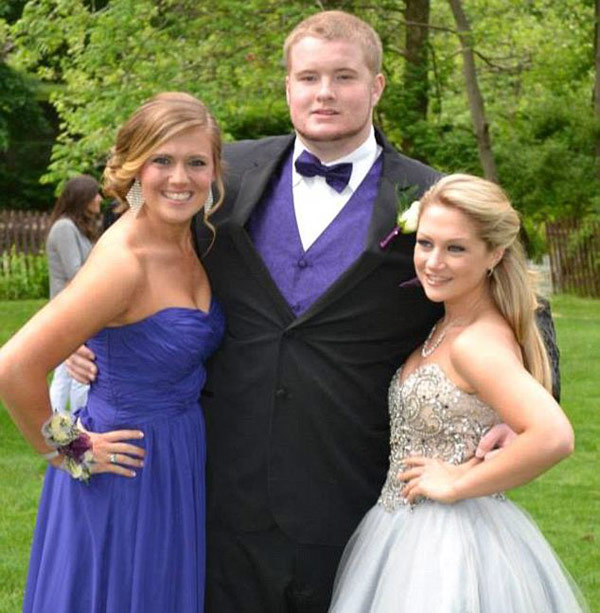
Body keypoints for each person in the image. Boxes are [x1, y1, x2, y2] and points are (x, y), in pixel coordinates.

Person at [67, 11, 559, 612]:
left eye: (344, 77)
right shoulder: (219, 175)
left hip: (350, 495)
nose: (324, 93)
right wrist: (87, 329)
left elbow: (523, 304)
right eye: (308, 78)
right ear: (288, 87)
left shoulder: (427, 197)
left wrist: (527, 402)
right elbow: (137, 239)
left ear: (376, 86)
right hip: (221, 492)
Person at [0, 92, 225, 612]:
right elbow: (14, 368)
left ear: (215, 170)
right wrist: (69, 450)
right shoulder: (125, 261)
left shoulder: (189, 235)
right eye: (161, 160)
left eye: (196, 162)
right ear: (133, 166)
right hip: (124, 470)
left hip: (175, 457)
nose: (180, 178)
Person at [328, 174, 587, 612]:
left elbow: (554, 436)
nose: (433, 262)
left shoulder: (476, 343)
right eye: (425, 243)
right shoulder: (448, 323)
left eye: (456, 249)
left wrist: (456, 482)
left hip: (447, 548)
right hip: (404, 533)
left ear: (495, 254)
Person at [46, 174, 101, 413]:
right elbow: (76, 272)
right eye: (95, 194)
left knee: (67, 372)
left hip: (76, 308)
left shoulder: (78, 228)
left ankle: (63, 426)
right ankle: (72, 424)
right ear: (83, 198)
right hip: (69, 310)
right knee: (75, 374)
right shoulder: (64, 227)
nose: (99, 199)